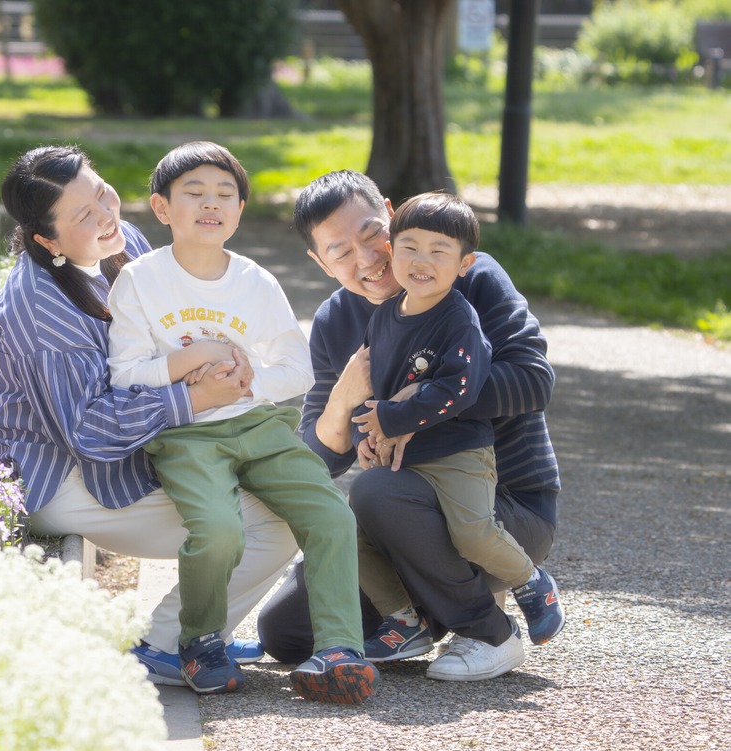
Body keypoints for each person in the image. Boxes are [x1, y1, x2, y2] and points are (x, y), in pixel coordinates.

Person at [0, 146, 300, 690]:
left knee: (281, 493)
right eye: (83, 215)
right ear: (47, 241)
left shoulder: (127, 249)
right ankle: (165, 643)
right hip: (63, 475)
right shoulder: (43, 307)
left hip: (141, 439)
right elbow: (89, 431)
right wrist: (196, 398)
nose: (106, 215)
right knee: (269, 524)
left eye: (101, 192)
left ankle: (202, 629)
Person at [256, 170, 562, 683]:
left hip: (500, 507)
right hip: (406, 520)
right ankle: (421, 614)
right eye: (340, 251)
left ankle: (487, 629)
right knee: (284, 632)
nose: (367, 259)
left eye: (371, 233)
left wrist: (415, 407)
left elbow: (533, 380)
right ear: (320, 262)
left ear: (393, 215)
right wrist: (345, 400)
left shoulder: (469, 277)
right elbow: (317, 456)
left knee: (376, 489)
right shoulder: (336, 321)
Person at [107, 141, 377, 704]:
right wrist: (194, 360)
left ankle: (338, 650)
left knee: (330, 513)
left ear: (239, 210)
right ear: (162, 209)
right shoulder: (139, 280)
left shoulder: (255, 282)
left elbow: (297, 367)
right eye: (195, 194)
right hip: (187, 433)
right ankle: (200, 641)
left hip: (259, 425)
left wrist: (249, 381)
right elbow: (126, 374)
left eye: (225, 195)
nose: (212, 204)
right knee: (220, 530)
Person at [346, 191, 565, 668]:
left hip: (463, 456)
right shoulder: (382, 316)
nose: (421, 260)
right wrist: (370, 431)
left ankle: (525, 589)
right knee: (347, 526)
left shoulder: (460, 311)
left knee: (471, 531)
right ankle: (405, 622)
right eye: (410, 247)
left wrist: (401, 413)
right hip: (412, 470)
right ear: (395, 247)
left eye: (438, 251)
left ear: (464, 263)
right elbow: (379, 391)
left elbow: (461, 387)